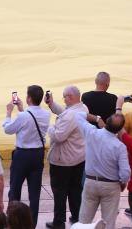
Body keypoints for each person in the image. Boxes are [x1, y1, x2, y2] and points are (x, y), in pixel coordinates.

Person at [75, 111, 130, 229]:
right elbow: (125, 173)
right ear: (119, 129)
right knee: (108, 223)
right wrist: (122, 182)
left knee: (84, 221)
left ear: (106, 122)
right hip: (111, 185)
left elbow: (78, 115)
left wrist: (97, 118)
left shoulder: (92, 133)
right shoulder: (120, 147)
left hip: (90, 182)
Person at [3, 85, 49, 226]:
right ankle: (31, 224)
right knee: (34, 193)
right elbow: (30, 124)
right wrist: (22, 109)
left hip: (22, 155)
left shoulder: (23, 116)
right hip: (38, 154)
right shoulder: (46, 115)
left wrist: (8, 113)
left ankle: (12, 222)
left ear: (29, 97)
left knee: (15, 190)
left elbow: (8, 129)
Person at [45, 86, 88, 229]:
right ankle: (76, 217)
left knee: (59, 192)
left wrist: (50, 126)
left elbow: (58, 136)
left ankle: (59, 221)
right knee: (75, 189)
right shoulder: (83, 109)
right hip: (78, 158)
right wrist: (52, 105)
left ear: (70, 97)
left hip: (63, 161)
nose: (63, 99)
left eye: (64, 97)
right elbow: (66, 113)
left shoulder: (70, 115)